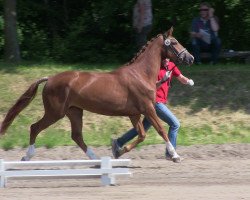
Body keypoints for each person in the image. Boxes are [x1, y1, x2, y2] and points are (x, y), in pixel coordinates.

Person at [111, 58, 194, 162]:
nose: (166, 60)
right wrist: (162, 80)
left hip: (161, 102)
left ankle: (118, 142)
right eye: (164, 59)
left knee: (143, 127)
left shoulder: (171, 66)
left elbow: (180, 77)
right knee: (175, 124)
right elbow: (151, 87)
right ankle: (170, 154)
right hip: (155, 102)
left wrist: (188, 81)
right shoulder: (155, 68)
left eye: (167, 58)